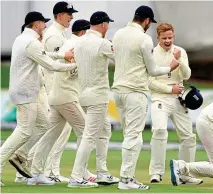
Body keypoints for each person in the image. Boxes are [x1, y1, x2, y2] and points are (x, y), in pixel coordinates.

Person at [0, 11, 76, 187]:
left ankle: (20, 156)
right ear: (36, 24)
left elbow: (45, 54)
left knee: (44, 125)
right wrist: (75, 65)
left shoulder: (24, 40)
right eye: (43, 23)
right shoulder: (31, 42)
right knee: (24, 131)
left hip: (27, 92)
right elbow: (49, 64)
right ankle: (10, 160)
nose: (46, 26)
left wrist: (62, 56)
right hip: (25, 93)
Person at [112, 5, 179, 190]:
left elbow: (115, 58)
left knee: (128, 135)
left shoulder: (118, 34)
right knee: (134, 137)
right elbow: (153, 71)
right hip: (135, 92)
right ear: (147, 21)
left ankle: (127, 177)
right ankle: (126, 180)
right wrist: (170, 67)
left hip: (118, 91)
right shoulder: (144, 39)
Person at [26, 19, 92, 186]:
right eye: (90, 33)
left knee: (50, 135)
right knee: (86, 132)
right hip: (66, 97)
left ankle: (35, 173)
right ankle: (80, 175)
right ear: (84, 33)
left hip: (55, 96)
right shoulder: (78, 46)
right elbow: (72, 72)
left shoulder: (69, 42)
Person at [148, 23, 202, 184]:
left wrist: (180, 60)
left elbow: (186, 75)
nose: (167, 41)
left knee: (189, 137)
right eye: (164, 38)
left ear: (174, 36)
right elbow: (150, 81)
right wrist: (168, 89)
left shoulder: (180, 51)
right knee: (159, 131)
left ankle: (185, 173)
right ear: (158, 37)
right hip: (160, 98)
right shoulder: (151, 53)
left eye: (170, 37)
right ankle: (156, 173)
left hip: (179, 98)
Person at [68, 11, 116, 188]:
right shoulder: (102, 43)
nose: (108, 27)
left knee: (104, 130)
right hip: (97, 95)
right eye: (108, 24)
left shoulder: (79, 41)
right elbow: (121, 58)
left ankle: (102, 172)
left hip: (84, 94)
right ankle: (75, 177)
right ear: (103, 24)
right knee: (89, 136)